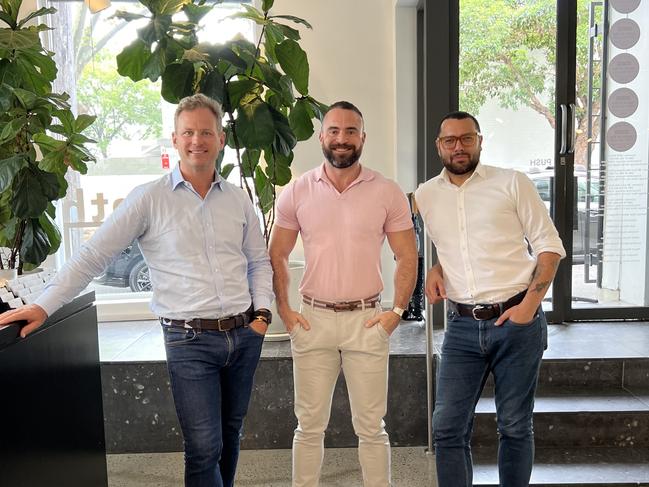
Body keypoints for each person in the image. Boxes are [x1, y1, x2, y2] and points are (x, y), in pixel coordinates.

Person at [0, 94, 274, 487]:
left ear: (221, 139)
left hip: (243, 336)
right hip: (189, 340)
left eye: (206, 133)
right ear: (175, 139)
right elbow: (94, 255)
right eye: (189, 132)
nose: (198, 140)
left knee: (231, 437)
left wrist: (262, 315)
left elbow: (257, 262)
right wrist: (43, 306)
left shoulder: (238, 199)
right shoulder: (149, 198)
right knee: (203, 447)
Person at [269, 101, 418, 487]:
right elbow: (278, 254)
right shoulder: (297, 191)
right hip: (312, 320)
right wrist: (285, 309)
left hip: (367, 321)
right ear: (321, 137)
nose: (342, 138)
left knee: (372, 427)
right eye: (334, 130)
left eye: (351, 131)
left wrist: (396, 311)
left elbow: (407, 255)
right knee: (308, 426)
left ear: (363, 138)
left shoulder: (386, 191)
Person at [415, 111, 566, 487]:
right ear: (439, 146)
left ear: (480, 141)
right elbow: (455, 244)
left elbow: (550, 248)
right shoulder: (426, 194)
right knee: (447, 428)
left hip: (516, 319)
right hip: (462, 327)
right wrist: (436, 268)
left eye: (467, 138)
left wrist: (528, 308)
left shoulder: (512, 183)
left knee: (514, 425)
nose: (459, 147)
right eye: (450, 140)